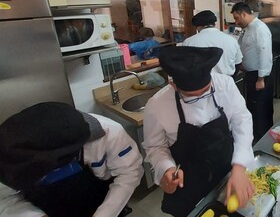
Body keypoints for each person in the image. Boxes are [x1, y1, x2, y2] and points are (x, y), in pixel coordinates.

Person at [143, 46, 254, 217]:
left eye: (205, 92)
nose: (199, 99)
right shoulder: (156, 105)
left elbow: (242, 120)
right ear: (173, 84)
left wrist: (239, 167)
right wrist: (166, 168)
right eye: (190, 96)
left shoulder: (225, 84)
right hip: (187, 181)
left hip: (226, 169)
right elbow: (155, 147)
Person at [0, 102, 143, 217]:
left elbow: (129, 173)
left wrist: (105, 213)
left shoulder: (108, 133)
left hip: (100, 200)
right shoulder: (8, 156)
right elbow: (5, 199)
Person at [230, 2, 273, 141]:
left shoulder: (259, 28)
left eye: (237, 18)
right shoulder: (249, 28)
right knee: (253, 106)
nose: (236, 22)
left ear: (244, 14)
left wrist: (261, 78)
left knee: (260, 107)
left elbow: (265, 53)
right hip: (251, 73)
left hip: (259, 75)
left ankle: (262, 137)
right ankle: (257, 134)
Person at [181, 10, 243, 76]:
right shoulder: (231, 40)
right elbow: (238, 64)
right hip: (226, 82)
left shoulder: (189, 42)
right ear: (214, 24)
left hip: (200, 83)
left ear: (198, 27)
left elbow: (185, 66)